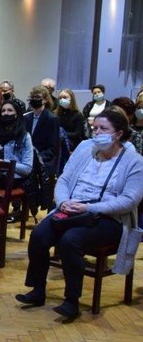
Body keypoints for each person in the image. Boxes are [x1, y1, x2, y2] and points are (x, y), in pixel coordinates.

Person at [16, 108, 143, 319]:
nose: (97, 133)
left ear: (119, 133)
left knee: (70, 240)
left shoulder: (134, 161)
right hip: (72, 209)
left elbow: (129, 201)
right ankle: (37, 290)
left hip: (109, 218)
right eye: (95, 128)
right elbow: (64, 179)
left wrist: (89, 208)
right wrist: (63, 201)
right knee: (39, 235)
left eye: (103, 129)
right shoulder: (85, 148)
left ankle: (71, 301)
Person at [25, 85, 61, 209]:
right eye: (33, 97)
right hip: (28, 156)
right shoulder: (26, 117)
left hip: (44, 157)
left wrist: (37, 158)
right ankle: (20, 206)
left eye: (38, 97)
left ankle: (41, 204)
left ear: (45, 99)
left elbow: (52, 148)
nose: (35, 99)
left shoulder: (52, 119)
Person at [0, 99, 34, 181]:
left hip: (11, 177)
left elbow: (27, 169)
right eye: (3, 111)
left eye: (10, 110)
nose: (6, 113)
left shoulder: (25, 136)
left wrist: (1, 162)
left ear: (16, 114)